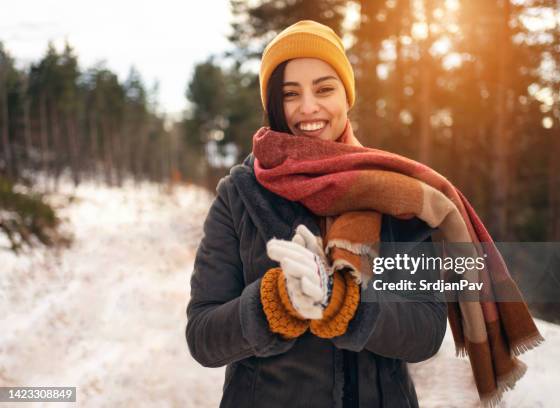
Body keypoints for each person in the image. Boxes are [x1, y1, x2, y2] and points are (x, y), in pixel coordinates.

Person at [185, 20, 447, 408]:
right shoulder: (239, 195)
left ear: (346, 96)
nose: (308, 107)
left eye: (324, 88)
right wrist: (274, 302)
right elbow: (203, 336)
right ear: (274, 104)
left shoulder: (397, 194)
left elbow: (426, 331)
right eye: (291, 94)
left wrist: (346, 307)